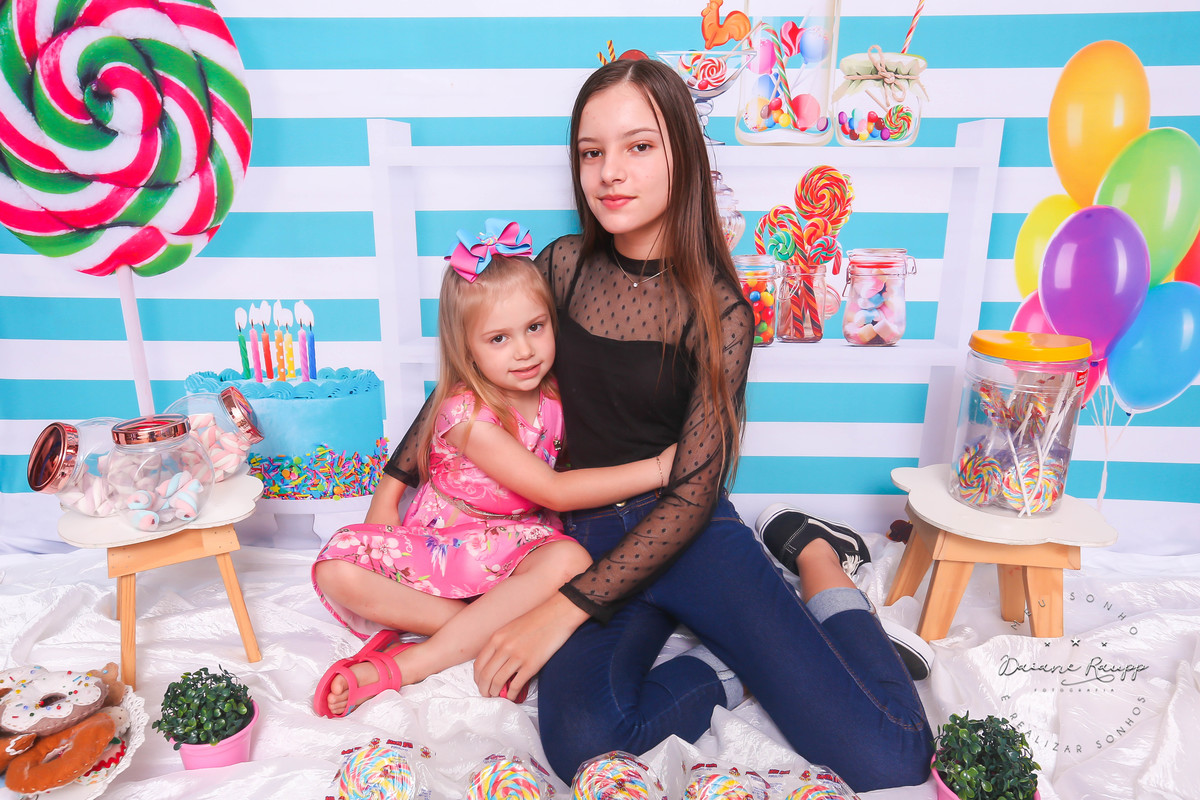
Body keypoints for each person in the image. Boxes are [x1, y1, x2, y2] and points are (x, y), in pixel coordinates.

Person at [386, 61, 934, 793]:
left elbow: (693, 488)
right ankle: (726, 667)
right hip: (581, 534)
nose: (610, 172)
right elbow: (468, 380)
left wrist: (561, 611)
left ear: (683, 154)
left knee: (890, 755)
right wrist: (391, 488)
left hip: (689, 530)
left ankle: (814, 556)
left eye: (638, 146)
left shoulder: (720, 310)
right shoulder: (562, 267)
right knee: (586, 744)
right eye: (592, 152)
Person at [311, 223, 675, 718]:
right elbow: (554, 490)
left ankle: (412, 661)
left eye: (535, 327)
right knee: (336, 568)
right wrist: (659, 468)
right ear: (467, 348)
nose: (524, 350)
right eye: (499, 338)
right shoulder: (467, 416)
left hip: (517, 542)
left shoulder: (555, 390)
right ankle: (481, 630)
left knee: (569, 560)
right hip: (447, 543)